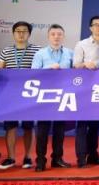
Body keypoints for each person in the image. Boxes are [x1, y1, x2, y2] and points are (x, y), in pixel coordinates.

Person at [0, 21, 40, 170]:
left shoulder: (37, 50)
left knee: (29, 126)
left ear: (29, 34)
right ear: (13, 33)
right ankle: (10, 158)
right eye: (18, 31)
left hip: (29, 93)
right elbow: (0, 68)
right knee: (10, 126)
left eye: (24, 31)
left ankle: (28, 157)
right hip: (10, 93)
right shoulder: (7, 50)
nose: (21, 34)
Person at [31, 24, 74, 172]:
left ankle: (57, 159)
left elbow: (76, 73)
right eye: (53, 34)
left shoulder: (70, 53)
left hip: (63, 95)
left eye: (59, 34)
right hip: (45, 96)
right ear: (48, 37)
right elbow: (33, 73)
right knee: (42, 130)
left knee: (59, 130)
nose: (56, 37)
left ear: (63, 36)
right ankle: (40, 161)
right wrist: (48, 68)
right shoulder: (40, 54)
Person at [72, 15, 99, 168]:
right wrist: (85, 64)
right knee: (82, 124)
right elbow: (75, 65)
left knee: (95, 124)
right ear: (90, 28)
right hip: (84, 88)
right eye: (96, 25)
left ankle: (93, 155)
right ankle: (81, 158)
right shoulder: (81, 44)